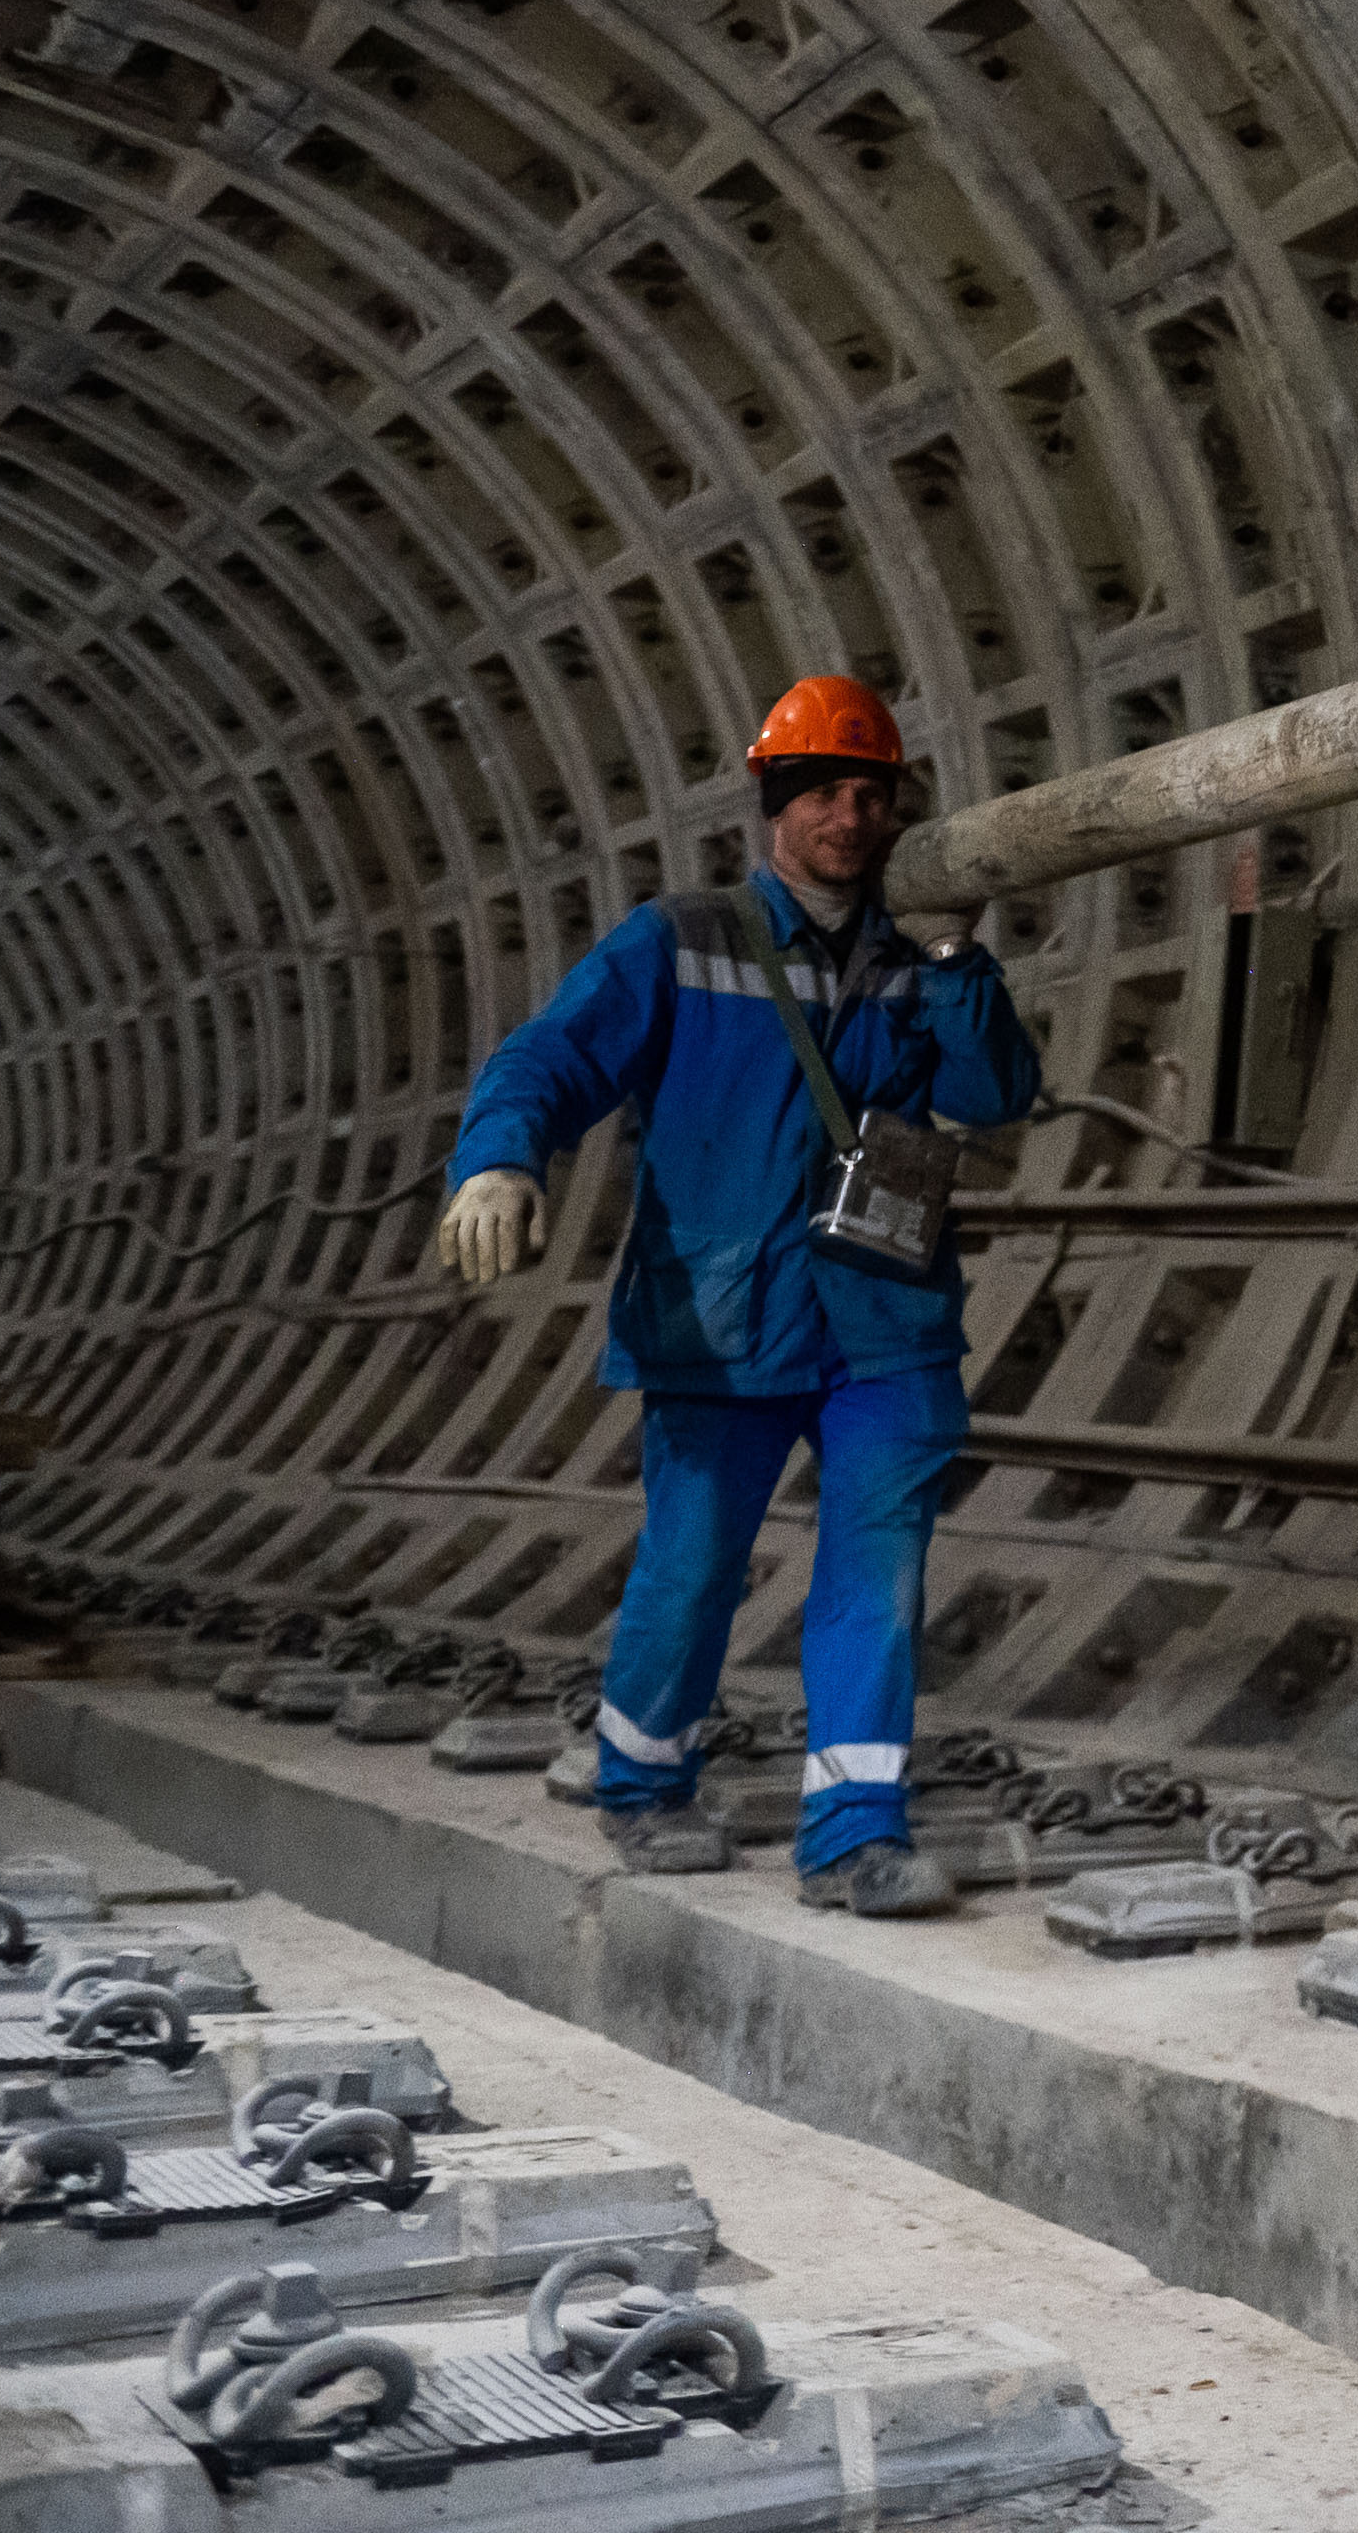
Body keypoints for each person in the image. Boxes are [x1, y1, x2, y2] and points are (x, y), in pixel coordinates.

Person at [434, 675, 1042, 1916]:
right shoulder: (683, 937)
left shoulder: (915, 959)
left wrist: (954, 953)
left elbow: (991, 1095)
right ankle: (642, 1783)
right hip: (722, 1318)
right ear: (776, 805)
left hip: (885, 1315)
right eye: (823, 790)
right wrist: (498, 1152)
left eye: (871, 794)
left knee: (877, 1570)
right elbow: (551, 1053)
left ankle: (854, 1834)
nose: (850, 816)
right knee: (695, 1561)